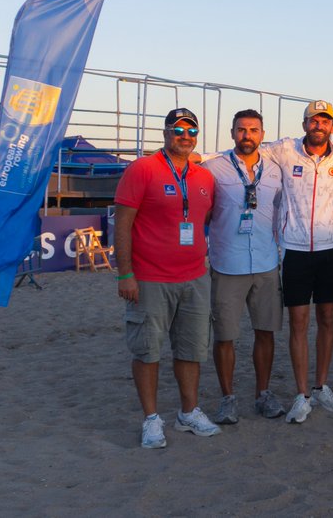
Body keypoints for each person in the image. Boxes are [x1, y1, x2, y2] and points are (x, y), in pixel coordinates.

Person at [115, 108, 220, 448]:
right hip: (149, 279)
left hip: (195, 278)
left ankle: (188, 412)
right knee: (147, 351)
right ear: (165, 132)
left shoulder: (204, 177)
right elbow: (122, 225)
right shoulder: (142, 169)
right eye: (178, 129)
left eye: (191, 130)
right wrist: (125, 273)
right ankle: (151, 419)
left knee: (191, 349)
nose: (185, 136)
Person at [261, 100, 333, 423]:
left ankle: (321, 386)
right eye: (313, 121)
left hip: (330, 249)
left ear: (332, 126)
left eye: (325, 121)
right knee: (299, 323)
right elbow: (244, 149)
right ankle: (301, 394)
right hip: (296, 250)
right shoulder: (285, 150)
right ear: (304, 125)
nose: (319, 126)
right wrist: (199, 157)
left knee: (328, 319)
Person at [201, 109, 285, 424]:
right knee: (225, 336)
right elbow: (202, 214)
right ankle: (228, 399)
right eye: (241, 129)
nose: (247, 135)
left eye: (253, 129)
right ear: (232, 132)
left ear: (262, 134)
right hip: (227, 264)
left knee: (266, 332)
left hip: (266, 262)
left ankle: (263, 394)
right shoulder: (213, 168)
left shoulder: (276, 170)